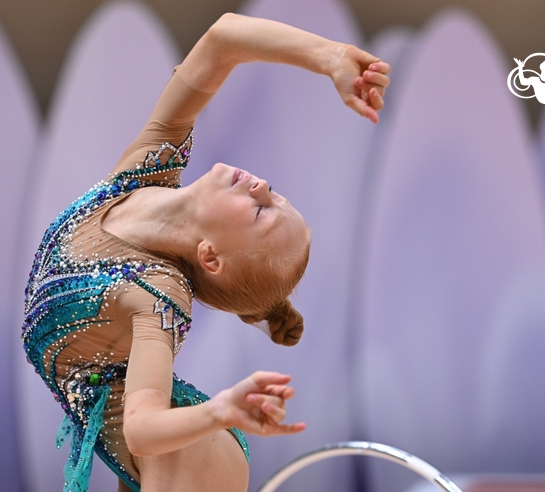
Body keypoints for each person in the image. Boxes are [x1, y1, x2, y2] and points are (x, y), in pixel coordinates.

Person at [22, 12, 390, 492]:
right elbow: (223, 38)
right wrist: (330, 57)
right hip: (157, 455)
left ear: (211, 257)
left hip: (193, 455)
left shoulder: (156, 294)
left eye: (260, 213)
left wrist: (221, 409)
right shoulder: (148, 167)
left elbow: (142, 428)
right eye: (273, 193)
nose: (259, 185)